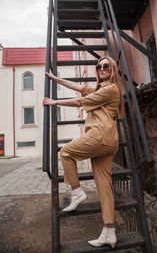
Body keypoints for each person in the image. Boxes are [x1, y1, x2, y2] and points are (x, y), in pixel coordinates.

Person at [43, 56, 123, 248]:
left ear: (112, 70)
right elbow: (76, 87)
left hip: (100, 136)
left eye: (106, 66)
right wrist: (55, 79)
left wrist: (55, 103)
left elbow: (80, 101)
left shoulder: (111, 89)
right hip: (108, 140)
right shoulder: (98, 88)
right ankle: (109, 232)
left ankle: (77, 192)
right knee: (104, 186)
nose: (102, 69)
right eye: (99, 66)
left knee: (66, 152)